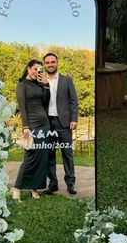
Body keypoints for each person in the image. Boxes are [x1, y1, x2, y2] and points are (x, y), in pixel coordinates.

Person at [12, 59, 50, 202]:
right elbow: (22, 108)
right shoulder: (22, 85)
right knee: (30, 158)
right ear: (28, 69)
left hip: (45, 125)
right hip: (32, 125)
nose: (37, 72)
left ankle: (34, 188)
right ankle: (16, 189)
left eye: (40, 70)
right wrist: (26, 127)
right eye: (35, 69)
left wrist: (46, 85)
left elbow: (46, 101)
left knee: (42, 158)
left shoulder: (40, 85)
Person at [42, 52, 78, 195]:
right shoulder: (40, 81)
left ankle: (71, 184)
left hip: (63, 123)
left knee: (67, 154)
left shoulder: (66, 80)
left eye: (53, 62)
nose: (50, 64)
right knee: (49, 154)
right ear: (44, 65)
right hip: (47, 123)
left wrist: (74, 119)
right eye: (47, 62)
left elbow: (73, 101)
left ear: (57, 63)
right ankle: (53, 184)